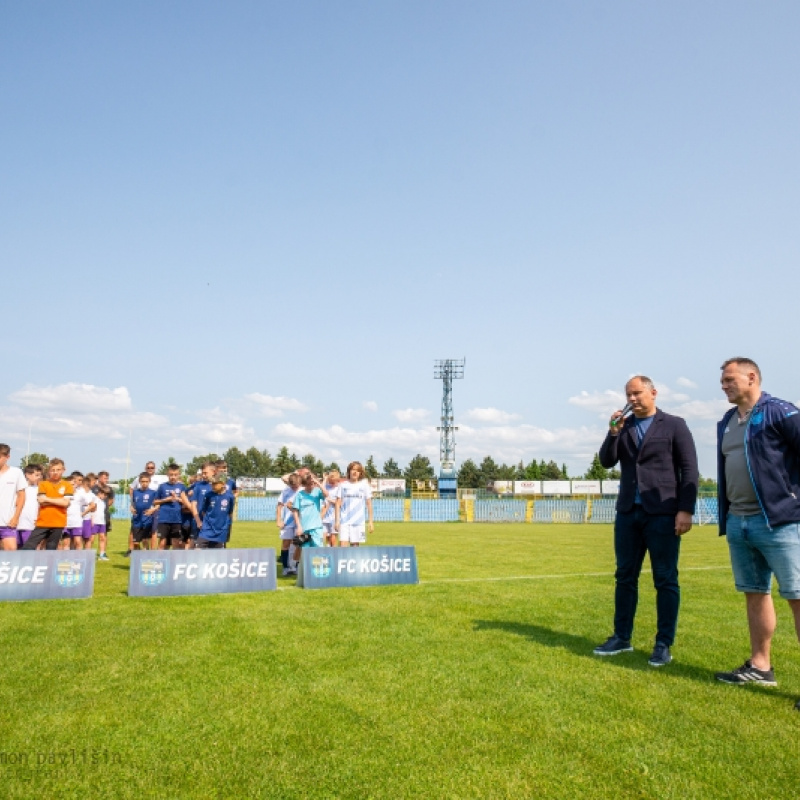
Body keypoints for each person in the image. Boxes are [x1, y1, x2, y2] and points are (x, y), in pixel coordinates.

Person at [712, 358, 800, 710]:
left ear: (752, 377)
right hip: (740, 522)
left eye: (729, 378)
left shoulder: (782, 412)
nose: (723, 384)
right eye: (722, 380)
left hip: (781, 522)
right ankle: (760, 665)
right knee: (754, 593)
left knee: (797, 597)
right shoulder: (726, 422)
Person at [594, 375, 699, 667]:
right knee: (624, 576)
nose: (632, 399)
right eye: (628, 394)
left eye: (637, 393)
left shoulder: (675, 425)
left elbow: (689, 469)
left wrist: (685, 509)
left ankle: (663, 644)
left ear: (653, 392)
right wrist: (613, 432)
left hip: (663, 514)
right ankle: (621, 637)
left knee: (665, 579)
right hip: (628, 512)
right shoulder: (624, 427)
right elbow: (606, 462)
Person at [22, 458, 74, 551]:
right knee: (28, 546)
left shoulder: (67, 485)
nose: (55, 472)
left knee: (51, 549)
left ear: (63, 470)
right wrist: (59, 500)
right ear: (49, 471)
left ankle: (48, 565)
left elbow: (66, 503)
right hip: (42, 521)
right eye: (52, 470)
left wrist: (48, 499)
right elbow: (41, 501)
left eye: (58, 470)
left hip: (58, 522)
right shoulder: (43, 484)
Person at [335, 461, 374, 548]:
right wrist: (337, 521)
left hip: (358, 522)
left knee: (355, 547)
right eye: (353, 469)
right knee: (342, 546)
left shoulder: (364, 486)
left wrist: (370, 522)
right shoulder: (343, 485)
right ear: (349, 471)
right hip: (344, 521)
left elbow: (369, 504)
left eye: (357, 470)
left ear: (360, 473)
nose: (355, 472)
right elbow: (337, 503)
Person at [190, 475, 235, 549]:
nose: (212, 486)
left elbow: (230, 513)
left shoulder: (230, 497)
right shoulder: (208, 495)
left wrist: (227, 526)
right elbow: (204, 511)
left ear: (223, 484)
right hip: (206, 530)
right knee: (198, 550)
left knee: (217, 556)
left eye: (215, 484)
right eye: (212, 483)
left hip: (220, 531)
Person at [287, 472, 328, 549]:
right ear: (304, 484)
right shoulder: (300, 495)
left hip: (316, 528)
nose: (310, 486)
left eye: (312, 483)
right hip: (304, 528)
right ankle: (299, 561)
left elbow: (326, 494)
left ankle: (318, 561)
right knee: (305, 552)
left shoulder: (317, 491)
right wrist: (299, 526)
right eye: (308, 484)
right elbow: (295, 511)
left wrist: (318, 483)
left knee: (318, 550)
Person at [153, 464, 188, 550]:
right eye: (171, 475)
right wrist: (166, 500)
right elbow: (155, 501)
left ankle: (175, 562)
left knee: (176, 543)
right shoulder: (162, 486)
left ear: (179, 475)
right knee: (162, 543)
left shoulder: (182, 487)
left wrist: (177, 499)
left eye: (175, 475)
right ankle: (160, 562)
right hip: (164, 519)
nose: (173, 477)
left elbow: (187, 503)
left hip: (177, 519)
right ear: (167, 474)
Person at [0, 444, 27, 551]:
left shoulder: (16, 472)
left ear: (7, 457)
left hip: (7, 522)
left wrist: (16, 517)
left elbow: (22, 496)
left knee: (11, 552)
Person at [277, 474, 301, 576]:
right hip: (287, 522)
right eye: (293, 486)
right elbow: (279, 506)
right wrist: (279, 520)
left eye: (296, 486)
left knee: (298, 544)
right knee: (286, 544)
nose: (295, 488)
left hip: (299, 522)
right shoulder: (286, 491)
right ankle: (286, 567)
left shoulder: (302, 491)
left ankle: (296, 566)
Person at [16, 464, 43, 549]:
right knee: (16, 549)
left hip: (30, 525)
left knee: (29, 549)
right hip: (16, 524)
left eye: (40, 475)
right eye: (36, 475)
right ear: (27, 474)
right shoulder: (19, 488)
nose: (39, 477)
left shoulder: (39, 489)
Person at [130, 472, 157, 551]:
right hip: (137, 520)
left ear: (149, 482)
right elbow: (132, 504)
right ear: (139, 482)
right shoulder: (135, 492)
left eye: (146, 481)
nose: (144, 483)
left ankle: (146, 557)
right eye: (142, 481)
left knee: (145, 540)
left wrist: (152, 509)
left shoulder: (153, 493)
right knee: (135, 542)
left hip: (147, 520)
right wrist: (131, 508)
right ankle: (138, 555)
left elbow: (158, 505)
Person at [321, 470, 342, 546]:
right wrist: (325, 479)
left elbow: (340, 503)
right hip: (324, 516)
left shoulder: (340, 488)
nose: (332, 483)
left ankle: (333, 554)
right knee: (322, 538)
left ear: (337, 480)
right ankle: (323, 553)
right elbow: (321, 488)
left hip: (334, 517)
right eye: (330, 481)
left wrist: (331, 501)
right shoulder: (327, 486)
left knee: (333, 539)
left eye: (333, 482)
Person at [92, 487, 110, 560]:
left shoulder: (103, 502)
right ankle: (87, 552)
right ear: (99, 493)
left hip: (102, 522)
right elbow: (91, 510)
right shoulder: (94, 500)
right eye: (104, 494)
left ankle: (102, 554)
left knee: (102, 537)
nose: (105, 496)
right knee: (91, 539)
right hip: (94, 522)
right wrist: (92, 520)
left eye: (106, 495)